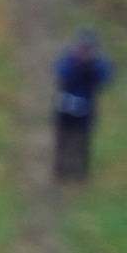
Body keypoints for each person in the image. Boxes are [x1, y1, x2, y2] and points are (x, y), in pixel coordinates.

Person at [53, 28, 114, 182]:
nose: (85, 51)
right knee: (64, 139)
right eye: (83, 47)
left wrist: (91, 65)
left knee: (83, 142)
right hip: (65, 106)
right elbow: (61, 74)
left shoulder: (98, 62)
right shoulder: (69, 58)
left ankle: (79, 173)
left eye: (88, 48)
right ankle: (62, 170)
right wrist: (77, 64)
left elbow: (106, 78)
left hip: (86, 108)